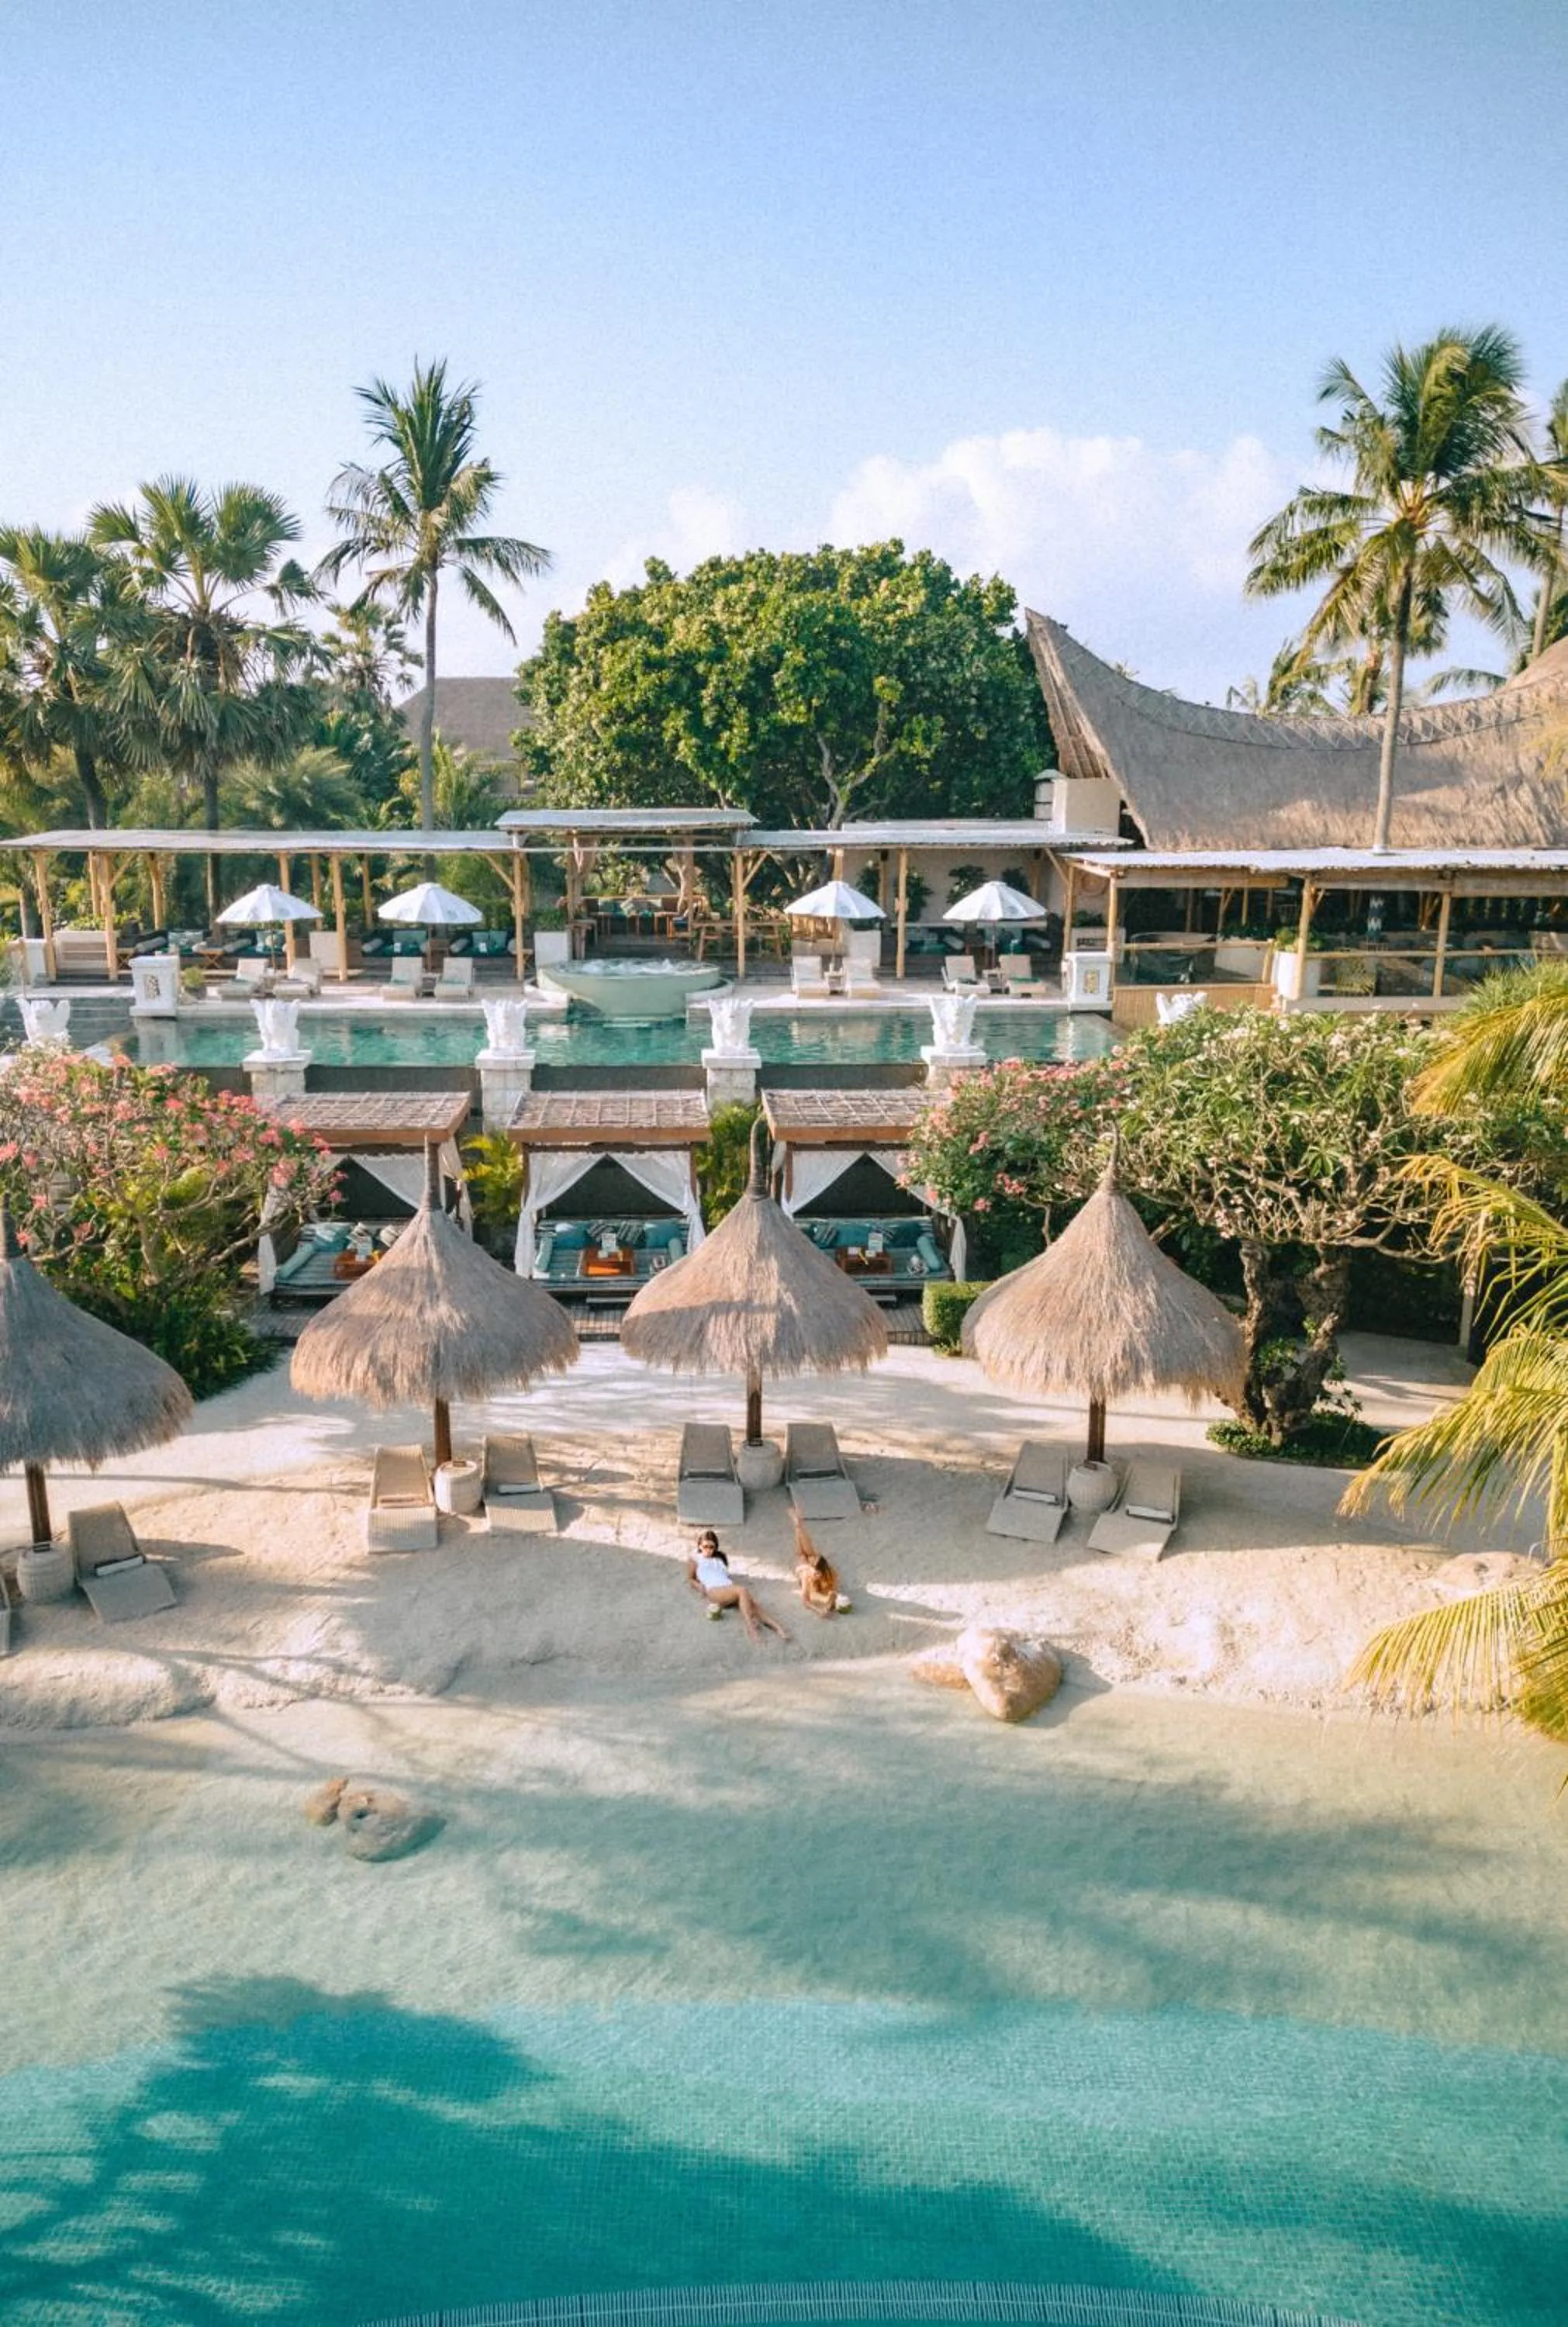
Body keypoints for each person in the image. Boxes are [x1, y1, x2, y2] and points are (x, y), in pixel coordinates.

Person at [686, 1530, 789, 1644]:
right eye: (705, 1546)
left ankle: (777, 1627)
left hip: (728, 1587)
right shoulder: (695, 1559)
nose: (709, 1550)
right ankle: (751, 1628)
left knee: (753, 1604)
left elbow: (723, 1576)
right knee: (742, 1590)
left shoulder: (720, 1560)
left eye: (712, 1547)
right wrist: (700, 1587)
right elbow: (691, 1579)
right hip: (714, 1590)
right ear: (700, 1546)